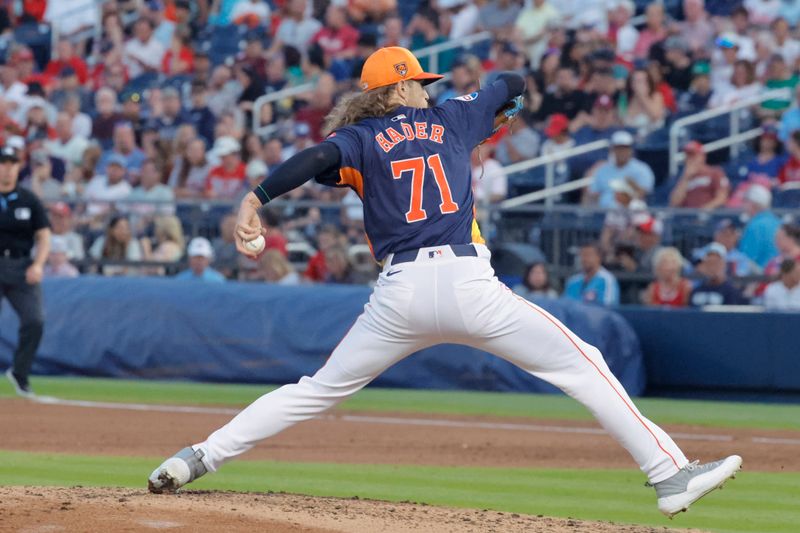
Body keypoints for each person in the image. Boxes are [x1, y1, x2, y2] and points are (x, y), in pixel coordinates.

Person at [148, 46, 741, 516]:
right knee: (582, 364)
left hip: (398, 295)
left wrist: (254, 201)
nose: (426, 89)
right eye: (418, 82)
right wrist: (485, 106)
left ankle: (197, 457)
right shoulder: (453, 117)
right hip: (467, 285)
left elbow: (311, 161)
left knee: (316, 389)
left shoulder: (358, 138)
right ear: (401, 87)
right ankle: (668, 475)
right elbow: (511, 80)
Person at [0, 144, 50, 397]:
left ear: (19, 167)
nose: (7, 169)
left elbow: (44, 235)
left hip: (21, 266)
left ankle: (19, 372)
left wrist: (38, 264)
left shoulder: (29, 200)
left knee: (35, 320)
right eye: (3, 163)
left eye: (12, 164)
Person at [584, 131, 655, 208]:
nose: (622, 152)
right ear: (612, 149)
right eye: (618, 148)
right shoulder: (603, 170)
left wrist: (633, 186)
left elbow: (645, 195)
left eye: (625, 148)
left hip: (631, 214)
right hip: (604, 213)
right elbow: (592, 195)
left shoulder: (642, 169)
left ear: (631, 150)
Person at [669, 141, 730, 209]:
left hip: (708, 215)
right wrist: (686, 178)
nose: (691, 159)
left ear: (702, 156)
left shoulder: (715, 172)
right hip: (686, 216)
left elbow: (721, 198)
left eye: (693, 155)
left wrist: (702, 211)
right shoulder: (681, 177)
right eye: (688, 156)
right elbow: (674, 203)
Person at [739, 184, 781, 268]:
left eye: (745, 201)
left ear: (753, 204)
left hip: (761, 277)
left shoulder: (755, 226)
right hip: (777, 273)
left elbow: (746, 259)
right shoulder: (778, 222)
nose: (743, 205)